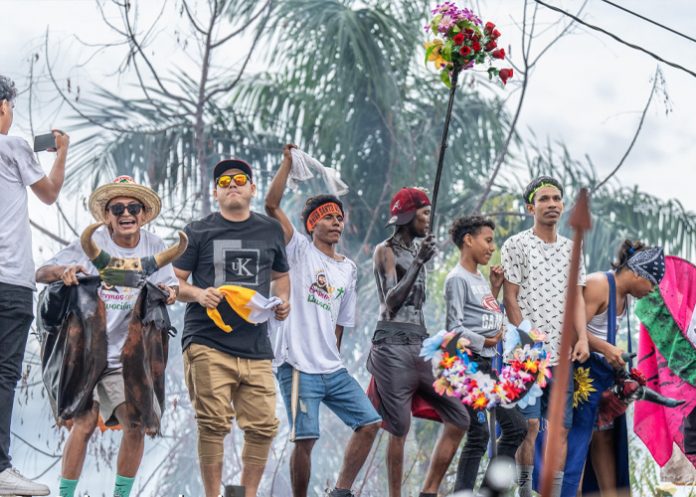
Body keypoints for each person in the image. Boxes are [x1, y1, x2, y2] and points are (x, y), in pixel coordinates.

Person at [36, 176, 179, 497]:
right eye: (118, 208)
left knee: (137, 424)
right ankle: (66, 495)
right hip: (86, 352)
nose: (126, 213)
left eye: (133, 207)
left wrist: (170, 291)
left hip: (127, 357)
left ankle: (121, 495)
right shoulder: (93, 241)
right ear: (107, 215)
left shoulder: (155, 247)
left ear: (143, 214)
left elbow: (173, 286)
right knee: (84, 423)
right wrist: (64, 271)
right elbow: (42, 272)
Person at [264, 144, 381, 497]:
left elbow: (341, 322)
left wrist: (332, 354)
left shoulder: (347, 268)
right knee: (306, 437)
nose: (337, 223)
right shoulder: (298, 249)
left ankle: (341, 491)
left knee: (370, 423)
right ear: (313, 224)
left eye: (339, 218)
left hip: (332, 368)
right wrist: (287, 163)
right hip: (297, 365)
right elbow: (271, 205)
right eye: (329, 218)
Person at [173, 158, 291, 497]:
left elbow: (281, 276)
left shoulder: (269, 230)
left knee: (264, 427)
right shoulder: (198, 230)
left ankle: (247, 493)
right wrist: (198, 292)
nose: (232, 184)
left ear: (252, 188)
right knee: (212, 424)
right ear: (215, 193)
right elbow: (175, 281)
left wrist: (285, 302)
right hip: (208, 340)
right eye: (224, 182)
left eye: (240, 179)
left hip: (256, 345)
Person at [367, 187, 470, 497]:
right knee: (398, 426)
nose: (429, 219)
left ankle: (429, 491)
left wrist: (420, 259)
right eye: (424, 214)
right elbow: (390, 304)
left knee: (460, 416)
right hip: (392, 344)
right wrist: (418, 263)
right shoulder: (385, 250)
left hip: (418, 343)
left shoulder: (417, 252)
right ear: (408, 216)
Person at [0, 74, 70, 496]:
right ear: (3, 107)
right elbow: (49, 193)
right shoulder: (12, 146)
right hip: (8, 280)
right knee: (3, 373)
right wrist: (60, 151)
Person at [501, 176, 590, 497]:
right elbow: (509, 298)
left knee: (561, 429)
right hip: (524, 356)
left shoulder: (573, 250)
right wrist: (527, 339)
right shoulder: (516, 244)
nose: (552, 204)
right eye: (544, 199)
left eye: (557, 198)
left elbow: (576, 298)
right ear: (530, 207)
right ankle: (524, 492)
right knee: (529, 427)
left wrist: (581, 339)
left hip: (561, 356)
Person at [446, 216, 527, 492]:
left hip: (488, 366)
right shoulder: (457, 279)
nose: (492, 247)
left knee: (516, 427)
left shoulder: (478, 277)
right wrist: (486, 340)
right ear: (468, 240)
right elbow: (453, 329)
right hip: (469, 366)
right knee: (478, 435)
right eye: (488, 240)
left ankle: (488, 492)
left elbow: (484, 314)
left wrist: (494, 287)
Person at [580, 241, 666, 496]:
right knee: (577, 448)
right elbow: (571, 332)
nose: (651, 291)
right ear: (638, 273)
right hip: (580, 377)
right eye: (652, 283)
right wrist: (606, 349)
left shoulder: (623, 297)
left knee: (605, 440)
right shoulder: (598, 285)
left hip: (601, 376)